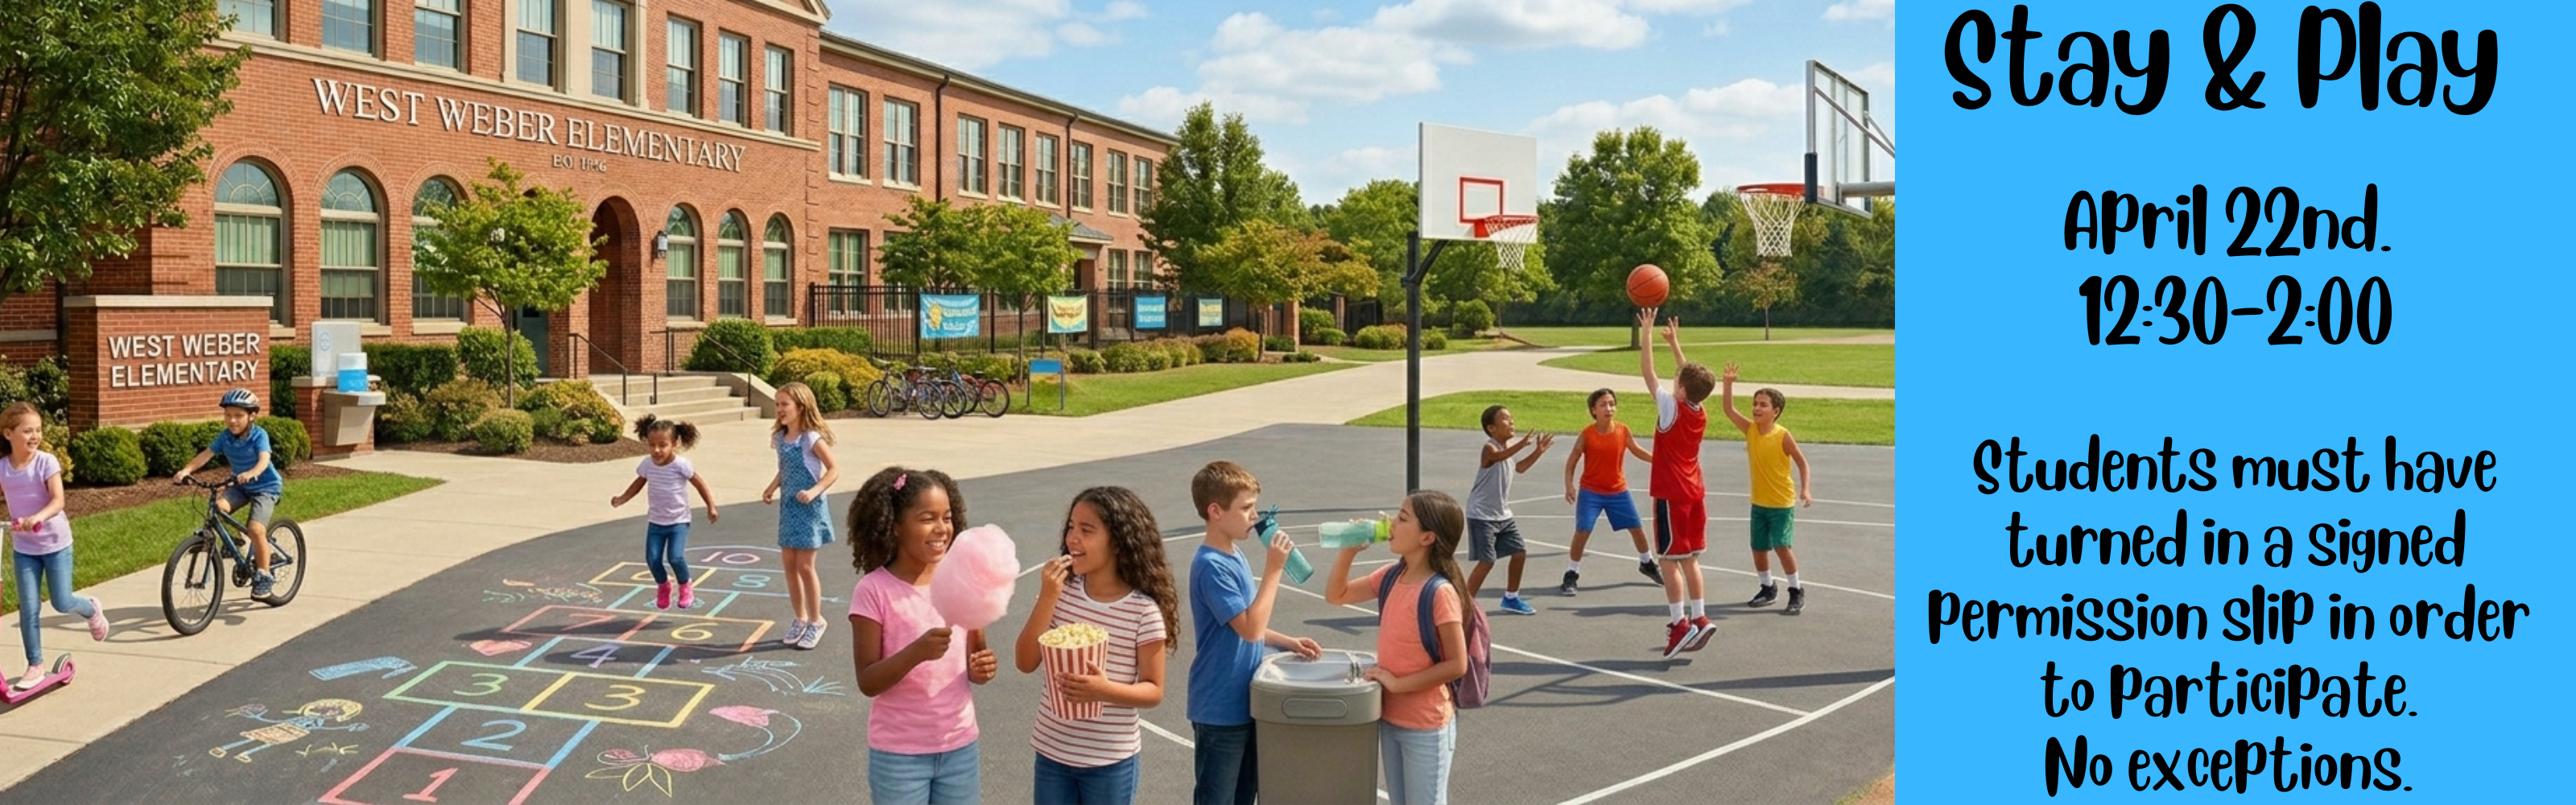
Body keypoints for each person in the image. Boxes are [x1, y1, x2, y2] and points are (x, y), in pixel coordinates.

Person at [1013, 486, 1178, 805]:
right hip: (1052, 752)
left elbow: (1154, 690)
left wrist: (1103, 689)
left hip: (1110, 761)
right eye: (1071, 527)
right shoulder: (1061, 594)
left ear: (1117, 542)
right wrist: (1048, 596)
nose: (1073, 538)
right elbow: (1025, 661)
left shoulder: (1143, 612)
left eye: (1086, 530)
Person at [849, 466, 998, 804]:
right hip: (899, 755)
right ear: (896, 526)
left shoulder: (962, 579)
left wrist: (982, 667)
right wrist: (916, 652)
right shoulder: (873, 591)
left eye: (947, 517)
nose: (942, 528)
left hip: (959, 745)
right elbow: (868, 680)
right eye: (927, 518)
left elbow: (976, 658)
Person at [1186, 460, 1322, 805]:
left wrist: (1287, 641)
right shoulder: (1211, 565)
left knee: (1246, 795)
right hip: (1219, 707)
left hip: (1247, 701)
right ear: (1215, 511)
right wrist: (1274, 569)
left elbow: (1248, 623)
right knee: (1218, 798)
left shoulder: (1235, 554)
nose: (1254, 516)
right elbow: (1249, 629)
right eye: (1246, 508)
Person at [1323, 490, 1468, 805]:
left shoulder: (1440, 592)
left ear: (1427, 537)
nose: (1390, 523)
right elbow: (1337, 594)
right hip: (1391, 719)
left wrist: (1399, 684)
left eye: (1402, 518)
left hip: (1426, 726)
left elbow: (1457, 664)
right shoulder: (1392, 576)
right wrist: (1348, 552)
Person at [1, 402, 107, 691]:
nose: (34, 436)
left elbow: (58, 500)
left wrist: (37, 517)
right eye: (27, 431)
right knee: (29, 609)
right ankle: (35, 665)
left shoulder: (46, 462)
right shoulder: (3, 468)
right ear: (8, 433)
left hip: (55, 543)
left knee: (62, 602)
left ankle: (91, 609)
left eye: (38, 430)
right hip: (24, 548)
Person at [1639, 309, 1719, 658]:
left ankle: (1680, 624)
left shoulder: (1671, 408)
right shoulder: (1700, 410)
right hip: (1695, 493)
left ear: (1681, 389)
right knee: (1691, 560)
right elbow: (1690, 381)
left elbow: (1648, 373)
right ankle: (1700, 617)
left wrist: (1645, 334)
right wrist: (1675, 345)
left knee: (1669, 561)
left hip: (1671, 494)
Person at [1719, 363, 1814, 615]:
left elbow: (1802, 463)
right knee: (1759, 548)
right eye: (1755, 403)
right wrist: (1728, 384)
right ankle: (1767, 586)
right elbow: (1728, 410)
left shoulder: (1782, 435)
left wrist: (1805, 489)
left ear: (1776, 411)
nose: (1757, 408)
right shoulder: (1750, 430)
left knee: (1782, 547)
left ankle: (1795, 590)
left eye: (1763, 405)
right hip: (1759, 503)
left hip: (1781, 503)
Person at [175, 389, 285, 599]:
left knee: (255, 529)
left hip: (265, 488)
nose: (232, 420)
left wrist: (252, 473)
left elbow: (264, 460)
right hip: (241, 486)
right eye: (228, 415)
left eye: (238, 416)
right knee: (218, 508)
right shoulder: (225, 437)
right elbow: (206, 454)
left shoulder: (259, 436)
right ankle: (234, 543)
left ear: (252, 416)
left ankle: (264, 575)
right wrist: (186, 470)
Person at [1558, 388, 1662, 596]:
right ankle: (1571, 574)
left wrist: (1659, 461)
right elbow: (1571, 462)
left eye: (1612, 404)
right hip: (1591, 492)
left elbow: (1637, 450)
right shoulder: (1588, 434)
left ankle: (1647, 563)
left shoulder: (1623, 430)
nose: (1609, 408)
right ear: (1593, 410)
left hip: (1618, 491)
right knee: (1583, 530)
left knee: (1637, 527)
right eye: (1604, 405)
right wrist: (1569, 485)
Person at [609, 415, 718, 610]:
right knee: (652, 560)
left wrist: (711, 506)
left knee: (675, 557)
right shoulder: (647, 464)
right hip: (656, 522)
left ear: (674, 444)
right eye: (652, 445)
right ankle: (664, 586)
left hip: (678, 521)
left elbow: (699, 483)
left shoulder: (681, 465)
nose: (656, 450)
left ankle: (685, 586)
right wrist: (623, 498)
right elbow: (638, 483)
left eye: (662, 445)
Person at [764, 382, 840, 650]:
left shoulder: (810, 438)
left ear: (801, 406)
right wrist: (772, 487)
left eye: (785, 404)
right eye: (777, 404)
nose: (780, 410)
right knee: (789, 564)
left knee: (805, 566)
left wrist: (815, 491)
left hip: (809, 509)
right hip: (789, 507)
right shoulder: (780, 438)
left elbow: (833, 470)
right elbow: (784, 470)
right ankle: (800, 618)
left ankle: (817, 620)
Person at [1466, 406, 1551, 614]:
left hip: (1503, 514)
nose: (1511, 421)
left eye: (1511, 417)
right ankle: (1463, 604)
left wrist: (1537, 452)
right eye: (1505, 419)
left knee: (1519, 552)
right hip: (1481, 514)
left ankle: (1511, 598)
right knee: (1487, 561)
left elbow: (1519, 467)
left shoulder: (1509, 447)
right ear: (1492, 428)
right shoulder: (1489, 448)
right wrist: (1522, 444)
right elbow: (1498, 457)